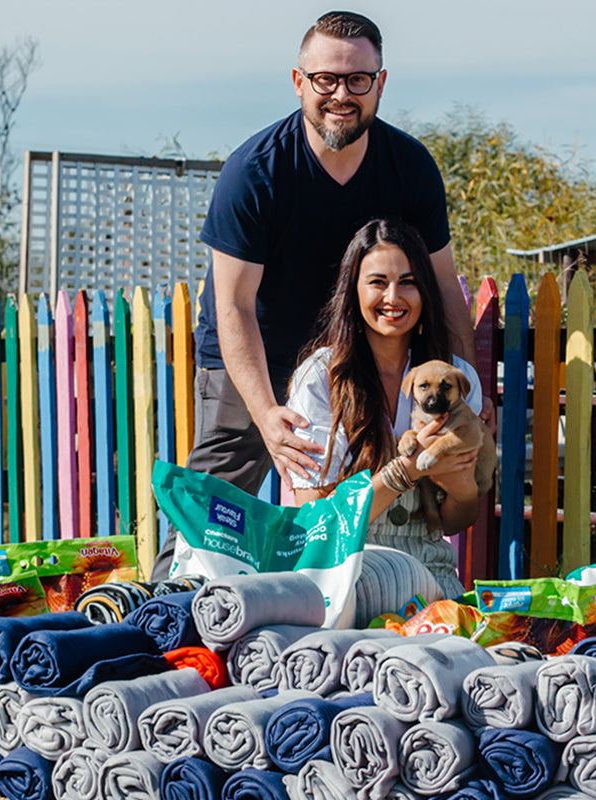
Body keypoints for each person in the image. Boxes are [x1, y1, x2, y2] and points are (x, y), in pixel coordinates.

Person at [190, 10, 476, 496]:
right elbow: (233, 304)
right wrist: (264, 414)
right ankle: (176, 576)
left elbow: (444, 287)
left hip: (354, 363)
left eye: (357, 80)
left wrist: (471, 382)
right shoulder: (254, 172)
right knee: (216, 508)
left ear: (380, 84)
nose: (341, 95)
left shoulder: (411, 168)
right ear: (299, 82)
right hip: (260, 358)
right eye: (326, 79)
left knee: (347, 506)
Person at [285, 219, 483, 623]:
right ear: (353, 289)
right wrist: (406, 471)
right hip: (346, 564)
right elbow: (316, 515)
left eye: (408, 282)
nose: (393, 297)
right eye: (378, 281)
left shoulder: (454, 378)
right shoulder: (321, 378)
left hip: (433, 567)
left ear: (425, 290)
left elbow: (458, 519)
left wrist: (461, 485)